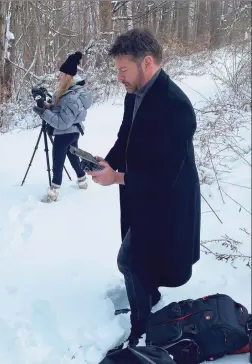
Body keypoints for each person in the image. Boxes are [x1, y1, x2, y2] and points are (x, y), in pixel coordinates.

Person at [86, 28, 201, 346]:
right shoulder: (135, 93)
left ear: (146, 62)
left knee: (130, 260)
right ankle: (147, 298)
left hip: (169, 200)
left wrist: (117, 178)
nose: (119, 77)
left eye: (123, 69)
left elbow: (166, 176)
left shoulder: (176, 107)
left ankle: (142, 327)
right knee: (141, 257)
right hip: (141, 192)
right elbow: (126, 136)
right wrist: (107, 163)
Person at [33, 51, 93, 203]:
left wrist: (44, 113)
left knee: (57, 161)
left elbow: (63, 122)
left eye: (61, 74)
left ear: (68, 77)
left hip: (65, 132)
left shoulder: (71, 97)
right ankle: (82, 180)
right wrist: (46, 105)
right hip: (72, 132)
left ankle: (53, 192)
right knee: (73, 156)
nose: (58, 76)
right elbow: (60, 109)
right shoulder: (69, 91)